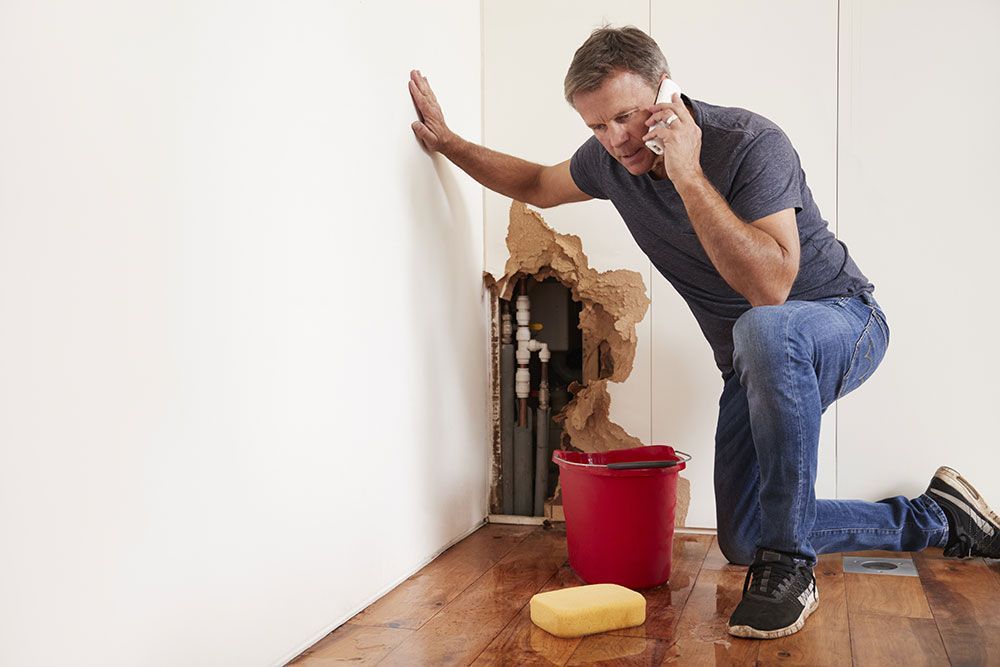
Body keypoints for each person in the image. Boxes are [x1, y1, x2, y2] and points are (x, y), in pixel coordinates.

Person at [408, 26, 1000, 640]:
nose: (615, 141)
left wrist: (688, 174)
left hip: (842, 322)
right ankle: (936, 520)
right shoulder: (612, 162)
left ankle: (791, 565)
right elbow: (535, 184)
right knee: (744, 535)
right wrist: (448, 142)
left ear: (667, 91)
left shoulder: (750, 143)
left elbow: (771, 287)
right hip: (751, 357)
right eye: (596, 128)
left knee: (765, 328)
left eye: (627, 117)